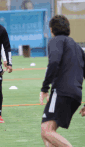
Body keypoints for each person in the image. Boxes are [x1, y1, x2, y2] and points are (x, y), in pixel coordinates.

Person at [39, 15, 85, 147]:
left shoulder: (56, 41)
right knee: (49, 135)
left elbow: (53, 62)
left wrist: (44, 89)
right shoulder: (77, 47)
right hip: (76, 95)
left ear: (52, 29)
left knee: (46, 131)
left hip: (61, 91)